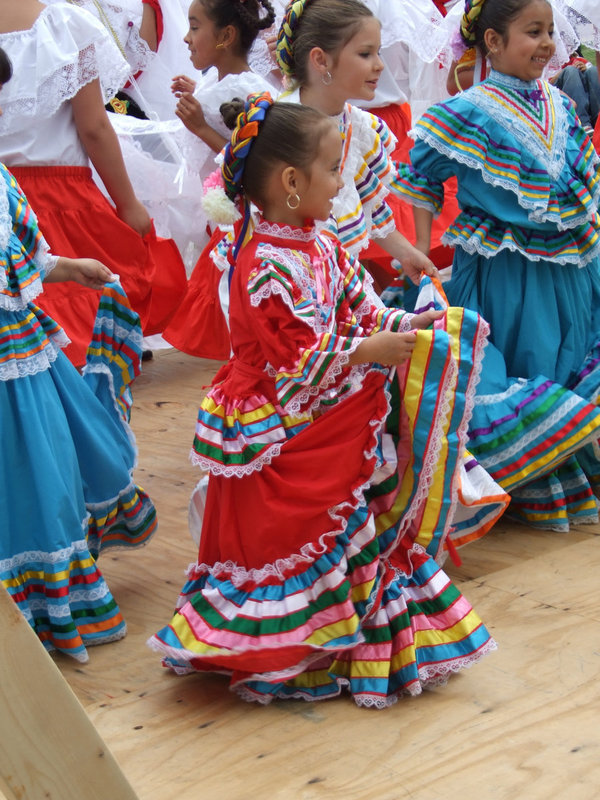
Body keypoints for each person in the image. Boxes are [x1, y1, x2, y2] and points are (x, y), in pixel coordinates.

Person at [148, 93, 507, 706]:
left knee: (350, 522)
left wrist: (411, 324)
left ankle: (342, 641)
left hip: (330, 398)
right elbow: (298, 358)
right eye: (336, 169)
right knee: (306, 531)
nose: (344, 182)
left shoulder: (319, 242)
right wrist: (371, 351)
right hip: (284, 415)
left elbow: (360, 306)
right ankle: (294, 647)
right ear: (292, 181)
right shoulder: (265, 263)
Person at [394, 0, 600, 531]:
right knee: (529, 358)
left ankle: (563, 456)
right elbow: (421, 178)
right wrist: (419, 251)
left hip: (573, 266)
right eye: (534, 31)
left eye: (551, 31)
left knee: (571, 354)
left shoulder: (560, 103)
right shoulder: (467, 111)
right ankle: (528, 479)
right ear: (491, 41)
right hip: (505, 272)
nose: (548, 43)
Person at [0, 47, 158, 662]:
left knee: (49, 474)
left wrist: (70, 269)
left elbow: (29, 258)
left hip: (25, 359)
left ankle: (37, 608)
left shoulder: (3, 179)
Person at [0, 0, 187, 366]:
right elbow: (94, 129)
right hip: (61, 198)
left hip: (6, 198)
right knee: (86, 303)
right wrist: (128, 203)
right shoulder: (67, 26)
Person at [159, 0, 276, 360]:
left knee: (237, 296)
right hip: (229, 216)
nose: (186, 37)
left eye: (195, 27)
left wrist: (199, 126)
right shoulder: (228, 84)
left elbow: (251, 158)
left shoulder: (241, 91)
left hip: (243, 221)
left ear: (226, 36)